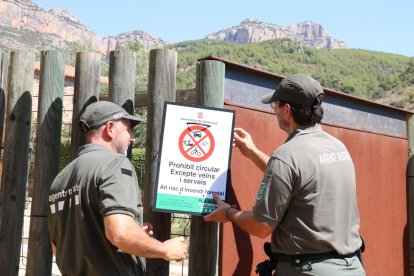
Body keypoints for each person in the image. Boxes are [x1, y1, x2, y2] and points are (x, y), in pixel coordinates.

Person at [204, 74, 365, 275]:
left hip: (308, 270)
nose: (274, 112)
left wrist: (228, 213)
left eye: (275, 106)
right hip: (352, 267)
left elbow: (260, 226)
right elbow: (300, 180)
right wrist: (253, 152)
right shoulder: (336, 147)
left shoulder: (287, 155)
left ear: (287, 110)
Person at [48, 101, 187, 276]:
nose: (132, 137)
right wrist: (165, 249)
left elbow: (58, 246)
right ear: (110, 128)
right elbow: (119, 233)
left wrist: (134, 231)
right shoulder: (115, 163)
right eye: (128, 129)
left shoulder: (60, 179)